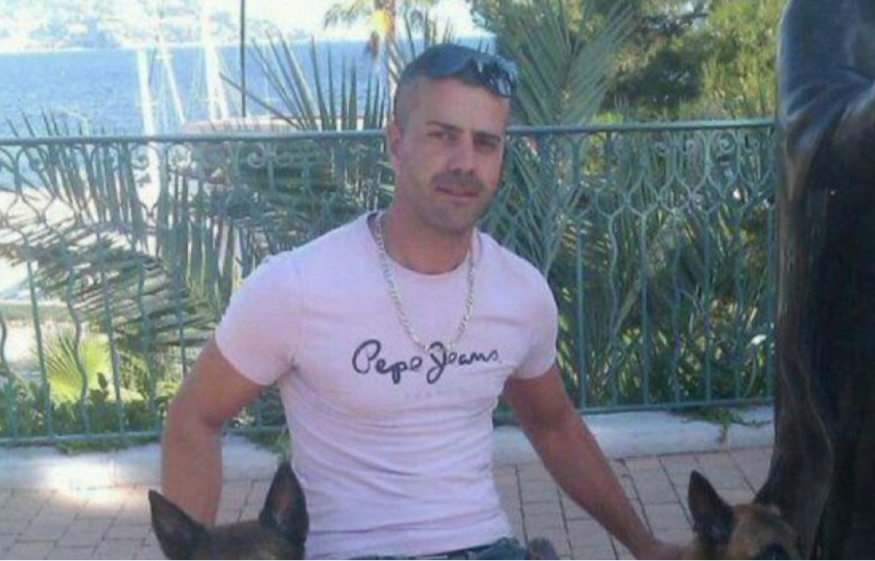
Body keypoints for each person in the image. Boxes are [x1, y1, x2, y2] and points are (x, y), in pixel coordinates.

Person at [161, 43, 681, 561]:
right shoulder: (298, 285)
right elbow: (195, 416)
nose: (465, 163)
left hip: (490, 550)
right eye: (443, 136)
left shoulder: (520, 292)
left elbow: (554, 426)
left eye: (485, 143)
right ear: (396, 144)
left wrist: (647, 546)